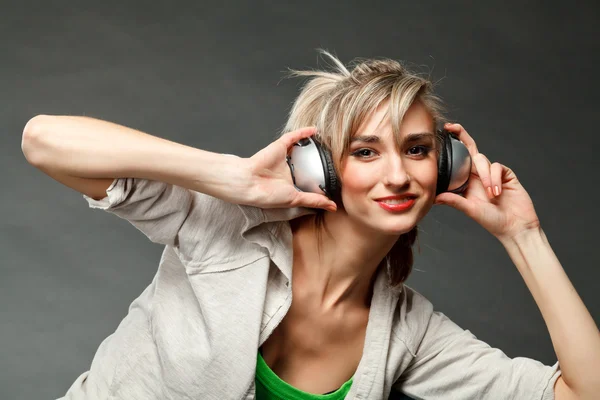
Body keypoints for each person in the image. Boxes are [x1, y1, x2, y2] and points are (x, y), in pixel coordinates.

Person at [21, 50, 599, 400]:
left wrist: (523, 236)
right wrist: (228, 177)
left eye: (417, 149)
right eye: (365, 152)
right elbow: (43, 140)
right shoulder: (226, 228)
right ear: (315, 167)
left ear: (446, 166)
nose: (397, 175)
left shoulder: (408, 332)